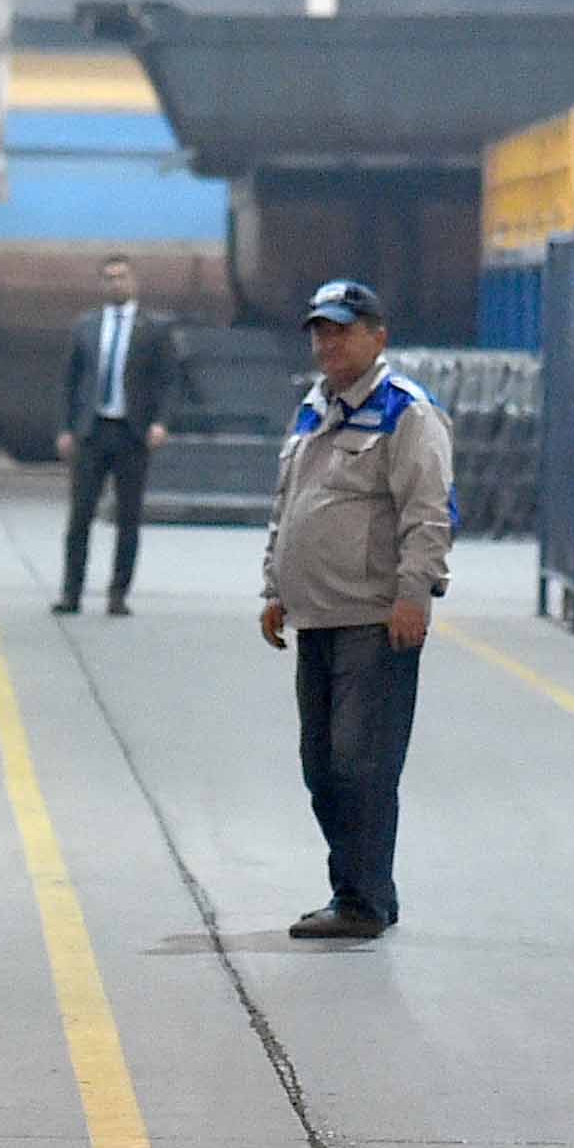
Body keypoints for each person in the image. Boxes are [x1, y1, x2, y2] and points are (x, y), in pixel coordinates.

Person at [254, 279, 448, 943]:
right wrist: (275, 587)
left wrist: (414, 594)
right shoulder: (314, 409)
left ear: (378, 336)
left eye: (341, 330)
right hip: (315, 614)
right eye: (320, 331)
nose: (328, 343)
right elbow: (289, 503)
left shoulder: (406, 412)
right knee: (321, 766)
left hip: (373, 616)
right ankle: (365, 891)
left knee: (361, 765)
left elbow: (429, 513)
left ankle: (361, 900)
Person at [54, 253, 177, 616]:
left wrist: (161, 422)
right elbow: (69, 381)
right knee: (80, 516)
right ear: (101, 284)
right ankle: (71, 592)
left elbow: (169, 381)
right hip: (92, 431)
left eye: (122, 277)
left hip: (131, 433)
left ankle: (118, 593)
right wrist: (65, 428)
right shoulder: (86, 327)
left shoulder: (153, 330)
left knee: (128, 517)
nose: (116, 283)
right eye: (109, 278)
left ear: (134, 281)